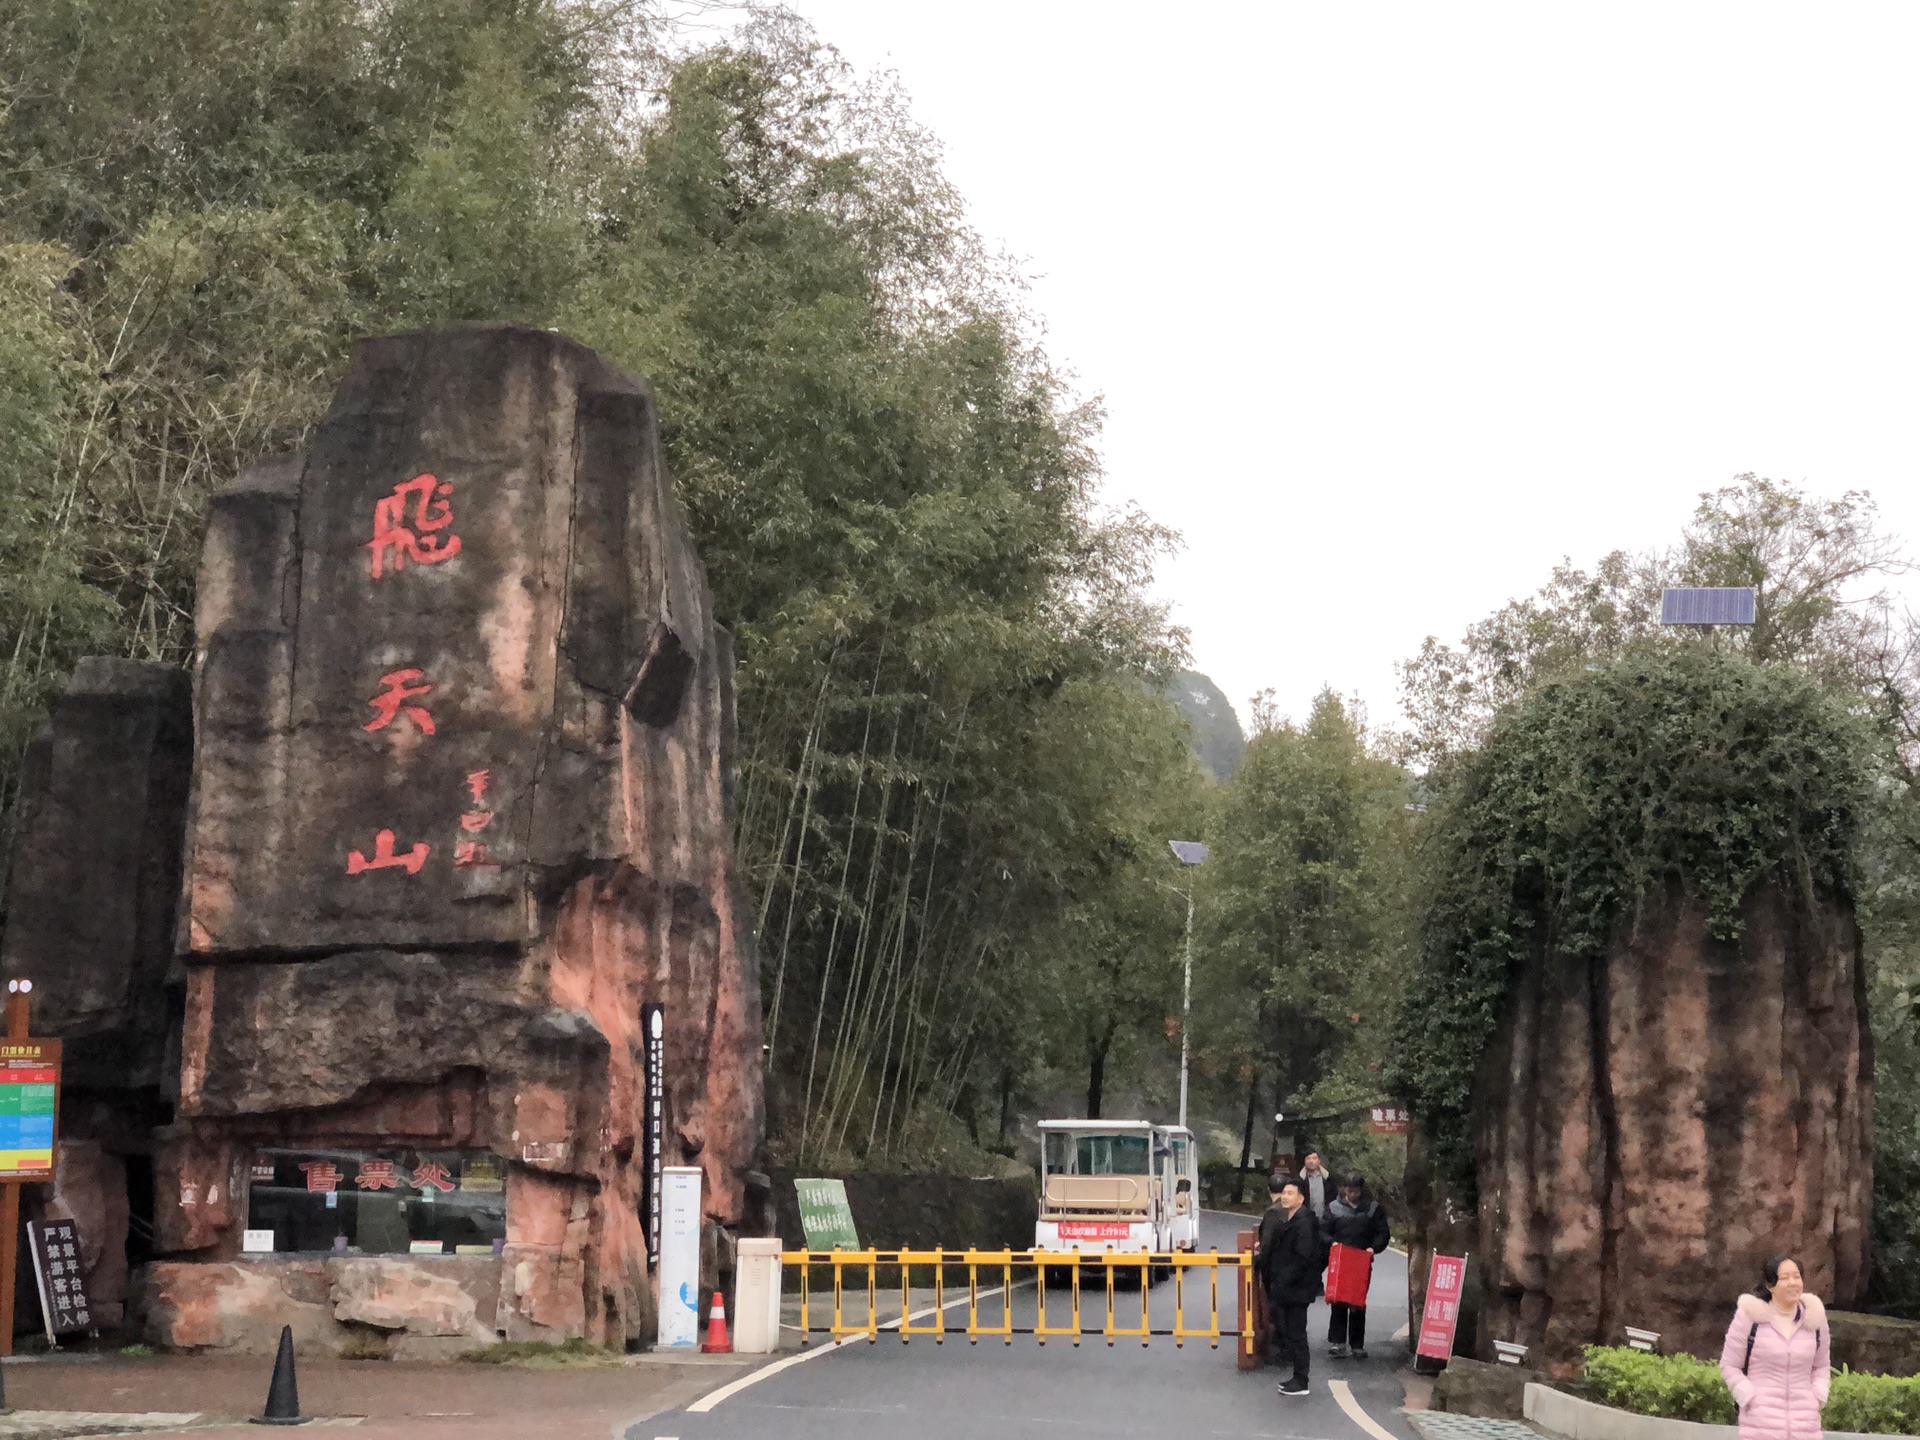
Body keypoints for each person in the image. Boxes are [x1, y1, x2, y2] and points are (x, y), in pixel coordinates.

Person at [1718, 1255, 1830, 1440]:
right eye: (1785, 1278)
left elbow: (1821, 1365)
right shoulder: (1750, 1317)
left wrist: (1817, 1397)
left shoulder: (1814, 1319)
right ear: (1770, 1286)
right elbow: (1730, 1365)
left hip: (1805, 1427)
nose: (1793, 1283)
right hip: (1760, 1427)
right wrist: (1749, 1397)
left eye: (1797, 1276)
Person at [1257, 1177, 1321, 1397]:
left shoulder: (1305, 1222)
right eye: (1283, 1192)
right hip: (1290, 1287)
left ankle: (1301, 1380)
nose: (1285, 1196)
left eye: (1290, 1193)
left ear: (1301, 1198)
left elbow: (1303, 1257)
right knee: (1294, 1332)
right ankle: (1297, 1377)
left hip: (1297, 1288)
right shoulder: (1291, 1219)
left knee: (1297, 1333)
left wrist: (1284, 1278)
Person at [1321, 1172, 1392, 1358]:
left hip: (1361, 1258)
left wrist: (1373, 1248)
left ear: (1361, 1190)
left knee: (1358, 1302)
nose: (1352, 1194)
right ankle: (1337, 1342)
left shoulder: (1373, 1208)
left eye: (1356, 1191)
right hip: (1341, 1258)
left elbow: (1382, 1232)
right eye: (1349, 1190)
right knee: (1338, 1300)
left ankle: (1357, 1344)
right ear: (1343, 1189)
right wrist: (1332, 1243)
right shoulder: (1333, 1208)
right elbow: (1322, 1231)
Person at [1298, 1150, 1331, 1220]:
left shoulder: (1328, 1179)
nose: (1311, 1161)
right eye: (1308, 1158)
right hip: (1306, 1220)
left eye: (1314, 1158)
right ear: (1304, 1161)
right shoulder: (1300, 1180)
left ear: (1319, 1161)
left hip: (1326, 1219)